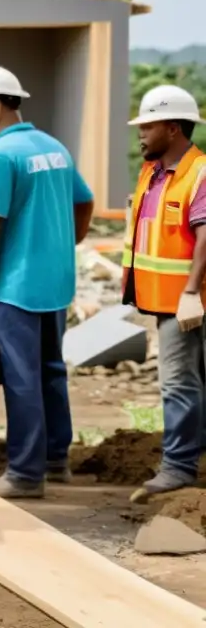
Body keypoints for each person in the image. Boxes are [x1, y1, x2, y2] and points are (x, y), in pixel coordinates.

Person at [0, 66, 95, 499]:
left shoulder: (0, 154)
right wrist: (62, 244)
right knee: (51, 370)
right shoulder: (54, 147)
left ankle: (24, 473)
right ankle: (56, 460)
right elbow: (85, 202)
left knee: (21, 376)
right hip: (55, 283)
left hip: (16, 284)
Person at [123, 84, 206, 503]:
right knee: (193, 381)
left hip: (187, 301)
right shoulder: (153, 173)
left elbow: (205, 232)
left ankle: (178, 467)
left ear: (172, 128)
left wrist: (191, 291)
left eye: (148, 126)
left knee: (178, 384)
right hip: (165, 299)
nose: (140, 134)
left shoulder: (199, 173)